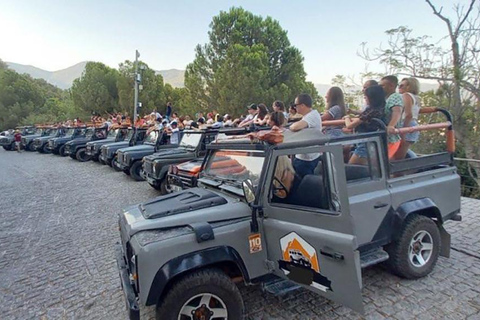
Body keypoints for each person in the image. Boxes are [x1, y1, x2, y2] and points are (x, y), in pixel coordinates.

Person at [344, 85, 386, 165]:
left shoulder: (371, 112)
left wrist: (347, 118)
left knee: (351, 169)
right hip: (373, 144)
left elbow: (349, 125)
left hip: (364, 145)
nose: (365, 99)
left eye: (366, 97)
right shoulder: (380, 109)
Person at [289, 93, 322, 178]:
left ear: (302, 105)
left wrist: (290, 126)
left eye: (296, 105)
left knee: (300, 185)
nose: (295, 108)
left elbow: (295, 127)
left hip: (307, 159)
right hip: (304, 156)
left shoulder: (312, 116)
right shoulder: (309, 116)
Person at [397, 77, 421, 159]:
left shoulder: (406, 95)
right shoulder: (416, 98)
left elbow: (408, 114)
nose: (399, 87)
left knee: (397, 158)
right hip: (413, 125)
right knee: (401, 154)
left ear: (409, 86)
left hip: (406, 124)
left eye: (402, 85)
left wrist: (403, 131)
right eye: (399, 85)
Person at [380, 75, 403, 159]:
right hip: (385, 137)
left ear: (391, 86)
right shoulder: (386, 98)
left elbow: (397, 111)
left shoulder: (395, 97)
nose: (381, 88)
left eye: (383, 85)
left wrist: (391, 125)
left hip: (391, 138)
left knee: (384, 162)